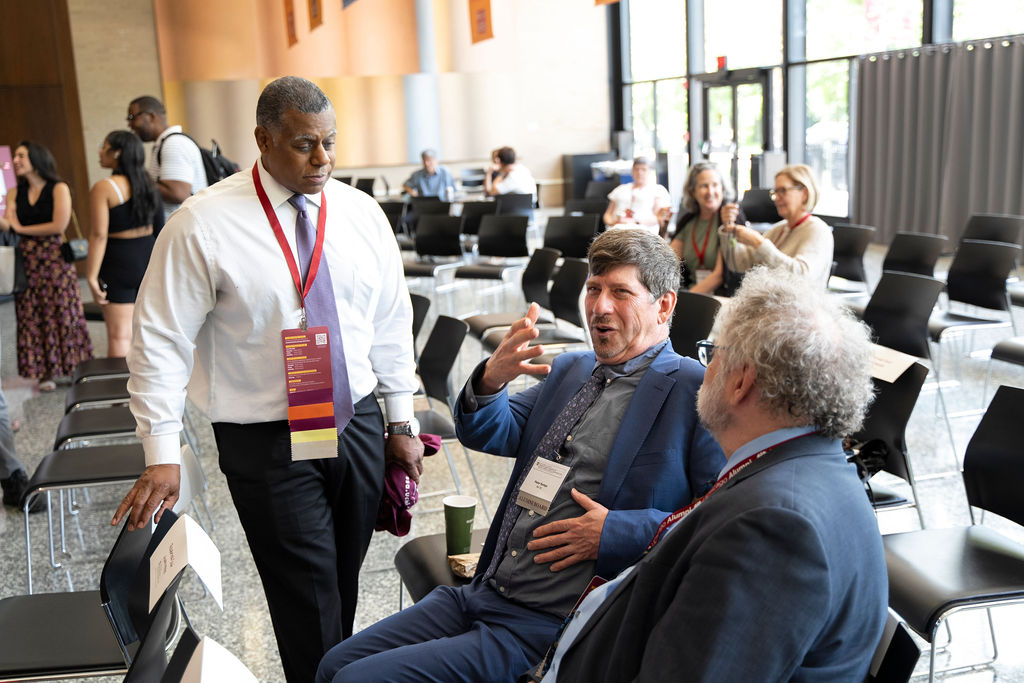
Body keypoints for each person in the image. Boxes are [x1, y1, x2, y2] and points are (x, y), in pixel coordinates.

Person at [110, 76, 423, 683]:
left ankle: (338, 671)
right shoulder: (203, 223)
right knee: (306, 596)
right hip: (266, 437)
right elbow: (160, 340)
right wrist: (161, 450)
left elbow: (390, 323)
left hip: (354, 422)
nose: (324, 159)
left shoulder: (360, 214)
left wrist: (401, 419)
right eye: (306, 144)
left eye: (331, 142)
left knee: (340, 581)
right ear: (263, 139)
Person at [317, 228, 725, 683]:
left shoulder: (694, 390)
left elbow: (718, 517)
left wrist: (616, 532)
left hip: (549, 623)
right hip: (484, 590)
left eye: (620, 293)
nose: (599, 307)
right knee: (332, 665)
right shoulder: (572, 368)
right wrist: (491, 381)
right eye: (593, 289)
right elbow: (495, 432)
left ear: (664, 306)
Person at [529, 266, 887, 683]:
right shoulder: (803, 468)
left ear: (741, 382)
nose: (705, 369)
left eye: (712, 353)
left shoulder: (774, 529)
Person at [0, 141, 92, 391]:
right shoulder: (13, 192)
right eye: (15, 156)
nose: (16, 160)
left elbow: (58, 225)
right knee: (32, 314)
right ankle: (44, 372)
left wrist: (20, 229)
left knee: (64, 311)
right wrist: (15, 227)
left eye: (21, 155)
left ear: (36, 159)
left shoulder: (58, 187)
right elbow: (9, 223)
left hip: (55, 259)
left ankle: (75, 366)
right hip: (27, 260)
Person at [692, 163, 833, 296]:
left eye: (783, 190)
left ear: (804, 193)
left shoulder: (817, 230)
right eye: (775, 192)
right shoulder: (779, 229)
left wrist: (758, 242)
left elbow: (801, 278)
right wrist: (729, 229)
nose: (776, 198)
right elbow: (739, 264)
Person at [86, 131, 160, 358]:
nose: (100, 151)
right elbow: (159, 228)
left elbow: (99, 235)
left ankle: (119, 392)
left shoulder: (105, 187)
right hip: (148, 258)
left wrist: (91, 275)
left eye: (104, 146)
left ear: (117, 152)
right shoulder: (150, 184)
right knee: (149, 331)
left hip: (118, 262)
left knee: (120, 335)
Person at [126, 95, 208, 223]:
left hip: (182, 229)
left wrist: (137, 180)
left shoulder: (173, 144)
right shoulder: (166, 143)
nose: (129, 124)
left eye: (132, 117)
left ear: (151, 116)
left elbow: (177, 193)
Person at [669, 161, 745, 288]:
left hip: (722, 298)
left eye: (715, 185)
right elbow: (668, 262)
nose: (710, 192)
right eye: (704, 186)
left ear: (722, 188)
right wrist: (663, 228)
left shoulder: (731, 217)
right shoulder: (687, 221)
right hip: (692, 293)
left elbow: (719, 276)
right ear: (693, 191)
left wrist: (685, 301)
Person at [602, 157, 670, 235]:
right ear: (632, 171)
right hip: (616, 229)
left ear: (650, 171)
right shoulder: (620, 189)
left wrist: (635, 222)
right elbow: (607, 214)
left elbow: (659, 218)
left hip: (642, 231)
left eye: (643, 169)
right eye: (636, 169)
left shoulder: (657, 190)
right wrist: (613, 222)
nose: (639, 172)